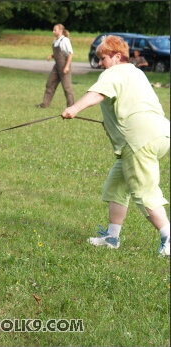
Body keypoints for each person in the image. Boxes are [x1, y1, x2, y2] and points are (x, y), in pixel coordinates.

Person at [61, 35, 170, 257]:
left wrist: (74, 108)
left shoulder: (114, 72)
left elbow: (96, 94)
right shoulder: (136, 72)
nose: (100, 63)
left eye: (103, 58)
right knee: (117, 185)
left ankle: (168, 235)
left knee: (143, 190)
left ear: (117, 56)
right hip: (160, 133)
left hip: (138, 139)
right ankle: (112, 237)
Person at [36, 23, 74, 108]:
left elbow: (70, 54)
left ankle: (71, 106)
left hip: (64, 66)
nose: (53, 31)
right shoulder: (56, 40)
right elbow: (58, 53)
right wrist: (52, 56)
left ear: (60, 30)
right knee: (50, 84)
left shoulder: (65, 40)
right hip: (57, 66)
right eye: (53, 30)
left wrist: (67, 66)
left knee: (67, 87)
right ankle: (45, 104)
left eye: (55, 30)